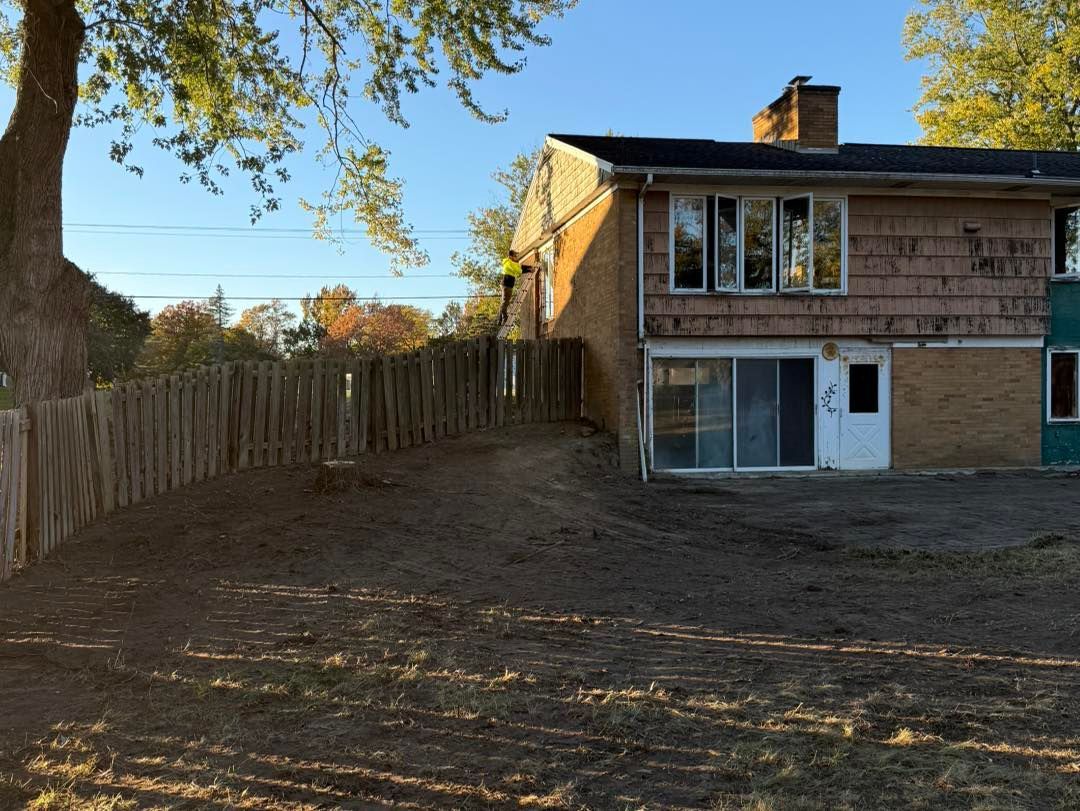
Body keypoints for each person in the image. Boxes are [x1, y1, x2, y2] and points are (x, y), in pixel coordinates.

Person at [498, 250, 523, 326]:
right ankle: (505, 318)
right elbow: (518, 271)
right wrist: (525, 269)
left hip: (507, 285)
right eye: (515, 256)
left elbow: (517, 271)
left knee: (504, 302)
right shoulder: (509, 262)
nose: (516, 258)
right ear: (510, 256)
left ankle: (499, 320)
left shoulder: (510, 263)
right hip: (506, 285)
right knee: (505, 303)